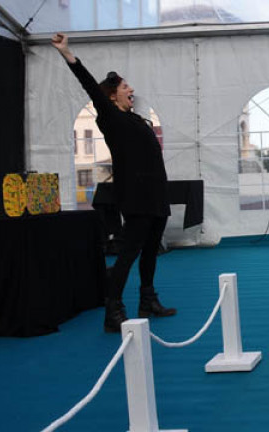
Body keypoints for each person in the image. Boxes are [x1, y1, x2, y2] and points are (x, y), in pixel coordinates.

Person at [51, 32, 176, 333]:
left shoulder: (136, 119)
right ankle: (114, 310)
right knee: (129, 253)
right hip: (136, 197)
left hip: (156, 194)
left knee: (150, 252)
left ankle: (148, 301)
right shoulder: (109, 117)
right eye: (124, 86)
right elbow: (89, 85)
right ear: (111, 96)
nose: (131, 89)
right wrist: (68, 54)